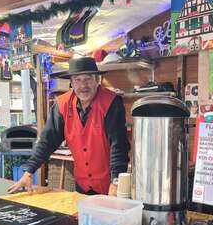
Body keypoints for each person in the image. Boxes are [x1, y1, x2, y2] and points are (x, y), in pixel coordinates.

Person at [7, 57, 130, 196]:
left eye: (88, 79)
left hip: (108, 186)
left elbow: (119, 146)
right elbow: (47, 141)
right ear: (71, 83)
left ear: (97, 81)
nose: (83, 85)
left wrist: (116, 183)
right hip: (82, 185)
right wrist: (28, 172)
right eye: (77, 79)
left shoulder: (111, 103)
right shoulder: (62, 105)